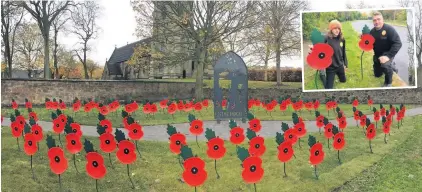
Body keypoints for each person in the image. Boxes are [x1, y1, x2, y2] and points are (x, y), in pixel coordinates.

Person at [309, 19, 348, 89]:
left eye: (338, 28)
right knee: (328, 88)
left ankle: (339, 74)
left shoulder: (342, 39)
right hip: (331, 67)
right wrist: (313, 50)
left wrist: (345, 64)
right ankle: (322, 76)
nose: (337, 30)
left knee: (343, 81)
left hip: (340, 65)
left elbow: (343, 51)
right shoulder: (326, 38)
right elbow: (319, 47)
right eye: (335, 28)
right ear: (331, 29)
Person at [369, 11, 401, 87]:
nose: (376, 22)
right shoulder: (372, 31)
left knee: (385, 66)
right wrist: (364, 41)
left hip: (388, 53)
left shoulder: (389, 29)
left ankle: (388, 82)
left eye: (378, 19)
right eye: (374, 20)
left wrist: (388, 56)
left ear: (382, 20)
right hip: (377, 54)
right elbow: (370, 43)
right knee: (377, 75)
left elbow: (398, 43)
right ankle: (392, 67)